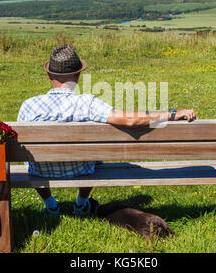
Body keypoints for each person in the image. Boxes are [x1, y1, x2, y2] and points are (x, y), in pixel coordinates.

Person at [17, 44, 197, 216]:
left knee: (30, 158)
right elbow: (130, 120)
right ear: (78, 75)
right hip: (81, 168)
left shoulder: (29, 106)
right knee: (94, 155)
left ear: (49, 75)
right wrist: (171, 114)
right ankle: (81, 203)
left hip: (40, 170)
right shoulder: (87, 103)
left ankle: (51, 206)